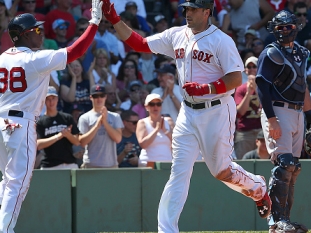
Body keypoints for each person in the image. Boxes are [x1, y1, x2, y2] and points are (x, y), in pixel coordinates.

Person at [101, 0, 272, 232]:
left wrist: (207, 88)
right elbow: (139, 43)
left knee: (221, 171)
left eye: (192, 9)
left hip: (216, 109)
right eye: (185, 8)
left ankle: (258, 187)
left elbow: (235, 79)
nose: (187, 12)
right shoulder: (176, 34)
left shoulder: (221, 40)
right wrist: (114, 20)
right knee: (178, 172)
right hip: (188, 112)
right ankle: (167, 229)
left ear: (206, 11)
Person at [0, 0, 103, 231]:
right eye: (36, 29)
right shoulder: (34, 59)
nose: (40, 32)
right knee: (18, 183)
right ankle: (4, 230)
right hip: (19, 123)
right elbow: (77, 51)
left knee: (8, 179)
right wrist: (94, 22)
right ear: (25, 35)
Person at [255, 10, 311, 233]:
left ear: (297, 27)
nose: (284, 31)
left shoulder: (302, 52)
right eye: (280, 27)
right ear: (274, 29)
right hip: (278, 109)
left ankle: (286, 220)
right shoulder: (271, 52)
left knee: (294, 168)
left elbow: (303, 87)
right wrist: (271, 119)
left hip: (298, 112)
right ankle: (275, 221)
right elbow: (261, 85)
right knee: (284, 165)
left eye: (288, 26)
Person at [78, 84, 123, 168]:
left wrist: (105, 122)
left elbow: (118, 139)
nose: (99, 99)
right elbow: (82, 142)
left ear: (105, 97)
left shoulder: (115, 116)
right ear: (91, 97)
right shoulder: (84, 118)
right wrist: (96, 126)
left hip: (111, 165)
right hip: (90, 165)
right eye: (96, 96)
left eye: (101, 96)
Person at [36, 86, 81, 169]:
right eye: (48, 99)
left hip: (69, 164)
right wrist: (58, 136)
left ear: (57, 99)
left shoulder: (67, 118)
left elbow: (77, 142)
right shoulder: (40, 122)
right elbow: (38, 144)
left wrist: (68, 135)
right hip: (49, 166)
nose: (51, 101)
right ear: (44, 101)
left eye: (53, 98)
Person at [136, 93, 174, 168]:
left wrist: (166, 131)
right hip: (147, 163)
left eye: (158, 104)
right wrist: (156, 130)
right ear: (146, 107)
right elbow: (143, 144)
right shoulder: (142, 122)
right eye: (152, 104)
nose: (155, 107)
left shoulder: (169, 121)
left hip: (167, 162)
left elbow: (177, 142)